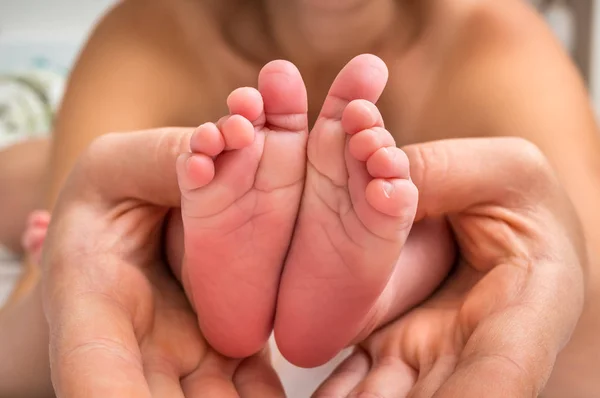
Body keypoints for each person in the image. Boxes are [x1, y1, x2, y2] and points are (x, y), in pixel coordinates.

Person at [1, 0, 599, 395]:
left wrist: (551, 274)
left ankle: (365, 283)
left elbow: (583, 295)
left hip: (399, 212)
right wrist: (66, 263)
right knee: (46, 187)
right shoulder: (149, 35)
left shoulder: (502, 48)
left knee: (446, 227)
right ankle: (203, 251)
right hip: (181, 186)